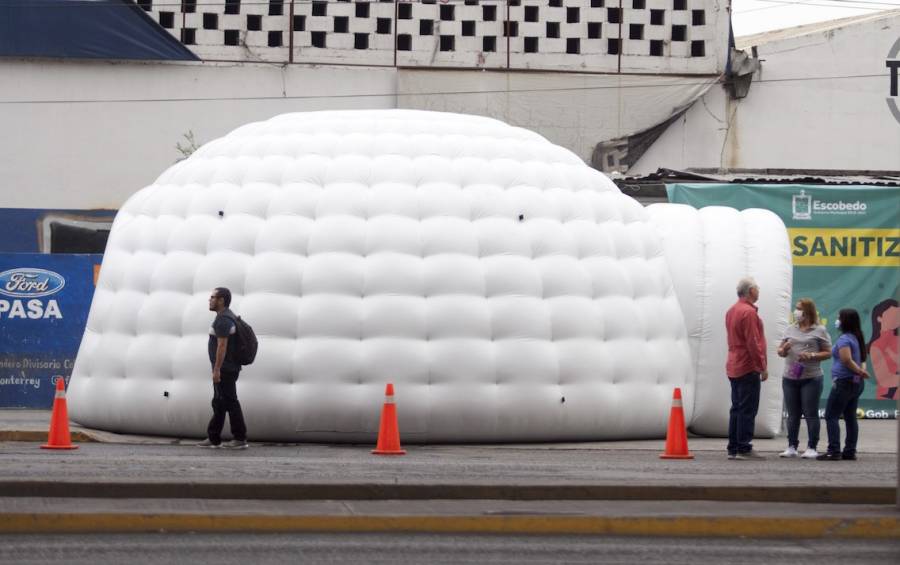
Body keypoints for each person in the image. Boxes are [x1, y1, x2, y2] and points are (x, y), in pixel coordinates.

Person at [776, 298, 831, 459]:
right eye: (796, 308)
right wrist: (783, 349)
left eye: (799, 309)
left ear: (808, 312)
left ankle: (812, 447)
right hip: (790, 377)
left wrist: (812, 355)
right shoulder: (789, 329)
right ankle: (791, 446)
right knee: (792, 414)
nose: (796, 312)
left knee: (810, 413)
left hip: (811, 377)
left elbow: (828, 352)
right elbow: (780, 352)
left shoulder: (819, 330)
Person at [197, 287, 249, 449]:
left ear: (221, 300)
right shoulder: (228, 316)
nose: (210, 300)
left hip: (225, 369)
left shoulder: (223, 320)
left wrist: (217, 369)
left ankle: (240, 438)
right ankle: (213, 437)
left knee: (230, 402)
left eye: (212, 297)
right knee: (219, 402)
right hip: (228, 367)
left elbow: (222, 346)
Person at [725, 277, 768, 460]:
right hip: (747, 365)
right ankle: (744, 447)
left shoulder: (731, 311)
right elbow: (753, 342)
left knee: (736, 407)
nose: (759, 290)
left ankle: (733, 447)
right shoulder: (749, 313)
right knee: (748, 409)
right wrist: (762, 366)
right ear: (750, 291)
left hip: (733, 364)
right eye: (757, 288)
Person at [818, 309, 869, 461]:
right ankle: (849, 451)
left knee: (831, 415)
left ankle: (834, 450)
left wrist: (859, 371)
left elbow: (846, 360)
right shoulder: (857, 337)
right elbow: (862, 359)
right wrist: (861, 372)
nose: (837, 320)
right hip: (855, 384)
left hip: (844, 382)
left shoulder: (844, 339)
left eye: (839, 317)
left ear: (845, 321)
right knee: (850, 417)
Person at [868, 298, 898, 401]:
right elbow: (885, 380)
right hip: (888, 401)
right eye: (892, 314)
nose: (896, 318)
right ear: (879, 318)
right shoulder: (876, 346)